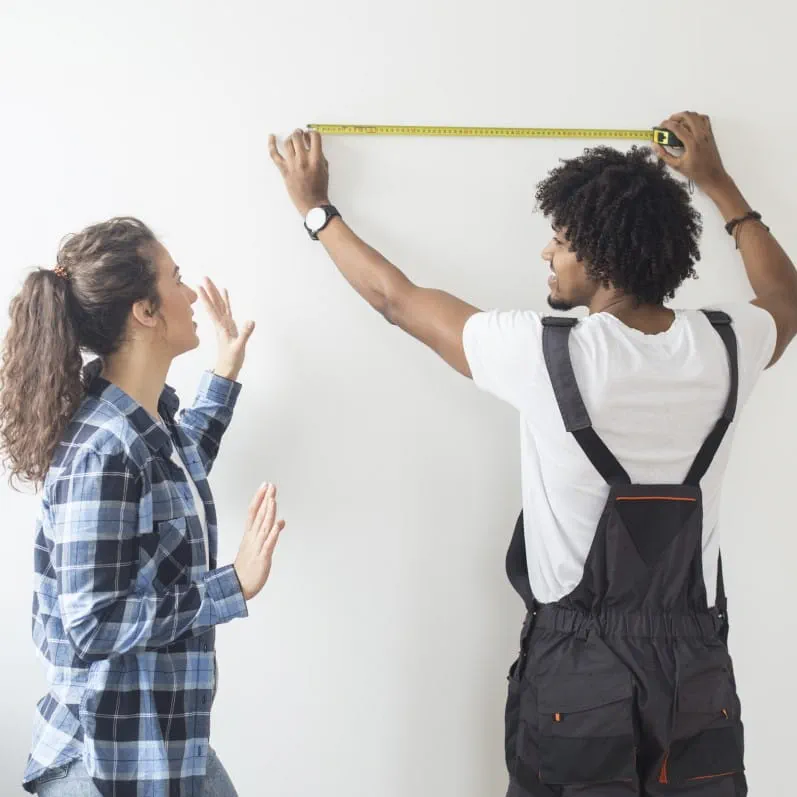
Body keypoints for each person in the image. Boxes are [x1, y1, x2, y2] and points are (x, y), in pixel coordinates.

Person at [268, 112, 797, 795]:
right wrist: (718, 183)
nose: (547, 252)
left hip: (579, 670)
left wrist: (315, 211)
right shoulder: (727, 343)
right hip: (695, 671)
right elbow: (785, 296)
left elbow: (396, 300)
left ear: (601, 259)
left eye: (562, 241)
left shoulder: (546, 351)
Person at [0, 218, 286, 796]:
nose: (190, 295)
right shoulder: (104, 447)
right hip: (106, 763)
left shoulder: (141, 423)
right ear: (145, 311)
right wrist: (231, 586)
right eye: (176, 279)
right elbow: (92, 623)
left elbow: (177, 470)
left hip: (162, 747)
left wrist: (226, 372)